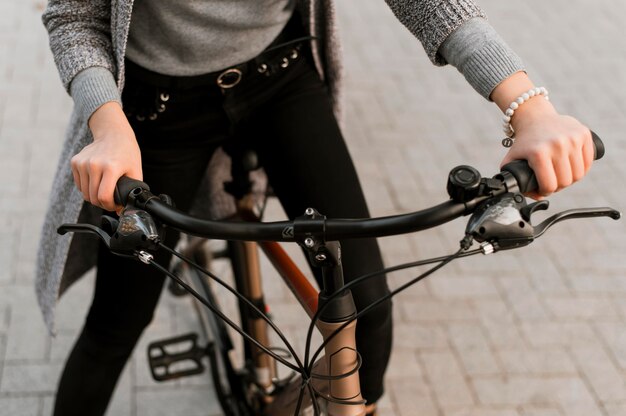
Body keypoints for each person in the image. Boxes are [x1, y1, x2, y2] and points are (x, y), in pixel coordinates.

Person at [37, 1, 593, 415]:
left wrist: (530, 107)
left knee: (369, 310)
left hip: (280, 77)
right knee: (117, 323)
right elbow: (73, 15)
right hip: (155, 108)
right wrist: (107, 125)